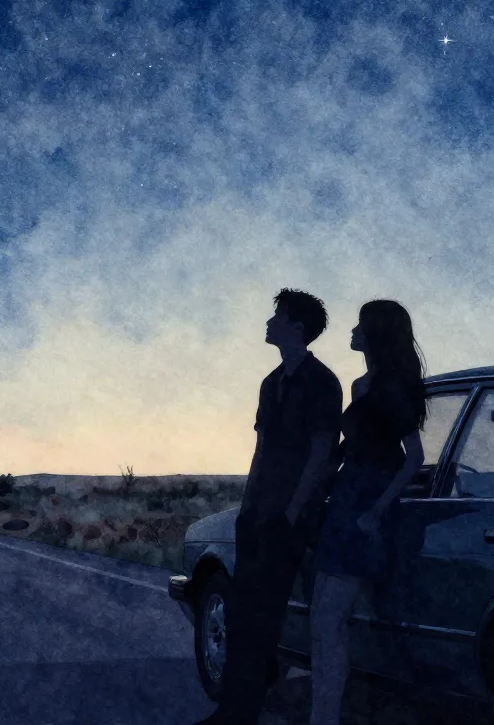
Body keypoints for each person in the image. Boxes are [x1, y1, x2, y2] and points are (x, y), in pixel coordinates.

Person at [196, 288, 344, 725]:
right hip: (258, 515)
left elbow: (321, 452)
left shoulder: (322, 382)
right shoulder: (271, 382)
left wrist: (291, 514)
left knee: (265, 618)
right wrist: (247, 508)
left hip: (289, 519)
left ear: (296, 328)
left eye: (276, 317)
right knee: (243, 616)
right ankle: (233, 709)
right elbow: (261, 450)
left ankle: (240, 714)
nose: (268, 323)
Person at [308, 299, 428, 725]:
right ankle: (322, 714)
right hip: (346, 500)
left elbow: (413, 457)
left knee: (329, 619)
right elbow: (353, 446)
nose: (353, 331)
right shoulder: (362, 385)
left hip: (366, 506)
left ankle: (325, 718)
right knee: (322, 620)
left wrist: (376, 512)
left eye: (360, 325)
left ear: (376, 333)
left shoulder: (392, 389)